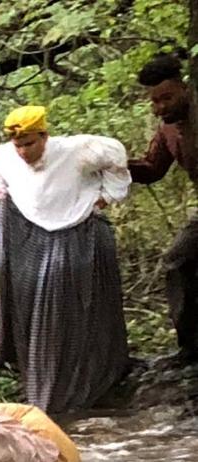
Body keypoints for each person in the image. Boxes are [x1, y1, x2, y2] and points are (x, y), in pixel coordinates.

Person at [0, 105, 132, 414]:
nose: (23, 151)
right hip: (32, 240)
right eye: (18, 144)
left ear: (45, 136)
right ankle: (39, 377)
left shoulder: (77, 150)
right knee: (35, 309)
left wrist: (107, 196)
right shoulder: (3, 155)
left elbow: (116, 157)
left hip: (75, 232)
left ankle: (90, 379)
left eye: (30, 143)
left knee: (73, 307)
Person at [128, 52, 198, 366]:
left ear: (185, 88)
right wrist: (110, 166)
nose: (160, 107)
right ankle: (190, 346)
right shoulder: (167, 129)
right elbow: (152, 169)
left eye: (166, 98)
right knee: (177, 259)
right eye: (154, 102)